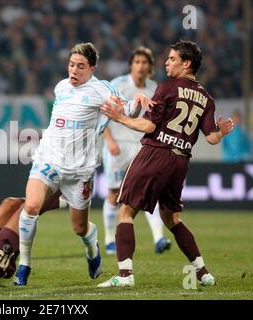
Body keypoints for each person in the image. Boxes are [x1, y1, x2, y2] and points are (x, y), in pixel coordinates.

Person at [14, 42, 154, 286]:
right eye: (71, 65)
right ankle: (23, 266)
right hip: (49, 159)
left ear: (92, 69)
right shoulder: (61, 87)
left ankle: (92, 249)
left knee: (79, 228)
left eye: (80, 66)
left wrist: (139, 101)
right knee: (31, 207)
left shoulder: (101, 89)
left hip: (80, 170)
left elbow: (128, 112)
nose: (74, 71)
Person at [97, 40, 234, 288]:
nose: (166, 62)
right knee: (171, 218)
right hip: (181, 160)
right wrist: (222, 131)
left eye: (172, 59)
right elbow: (213, 138)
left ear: (186, 63)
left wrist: (119, 117)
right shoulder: (206, 97)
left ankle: (125, 276)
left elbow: (148, 126)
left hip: (156, 153)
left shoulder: (167, 88)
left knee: (126, 211)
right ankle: (203, 273)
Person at [102, 47, 171, 255]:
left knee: (149, 192)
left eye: (144, 62)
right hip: (117, 146)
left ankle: (159, 238)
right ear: (131, 65)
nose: (141, 66)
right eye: (137, 62)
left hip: (142, 146)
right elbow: (103, 111)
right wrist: (109, 140)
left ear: (150, 67)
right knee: (114, 194)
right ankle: (108, 239)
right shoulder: (117, 85)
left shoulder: (155, 88)